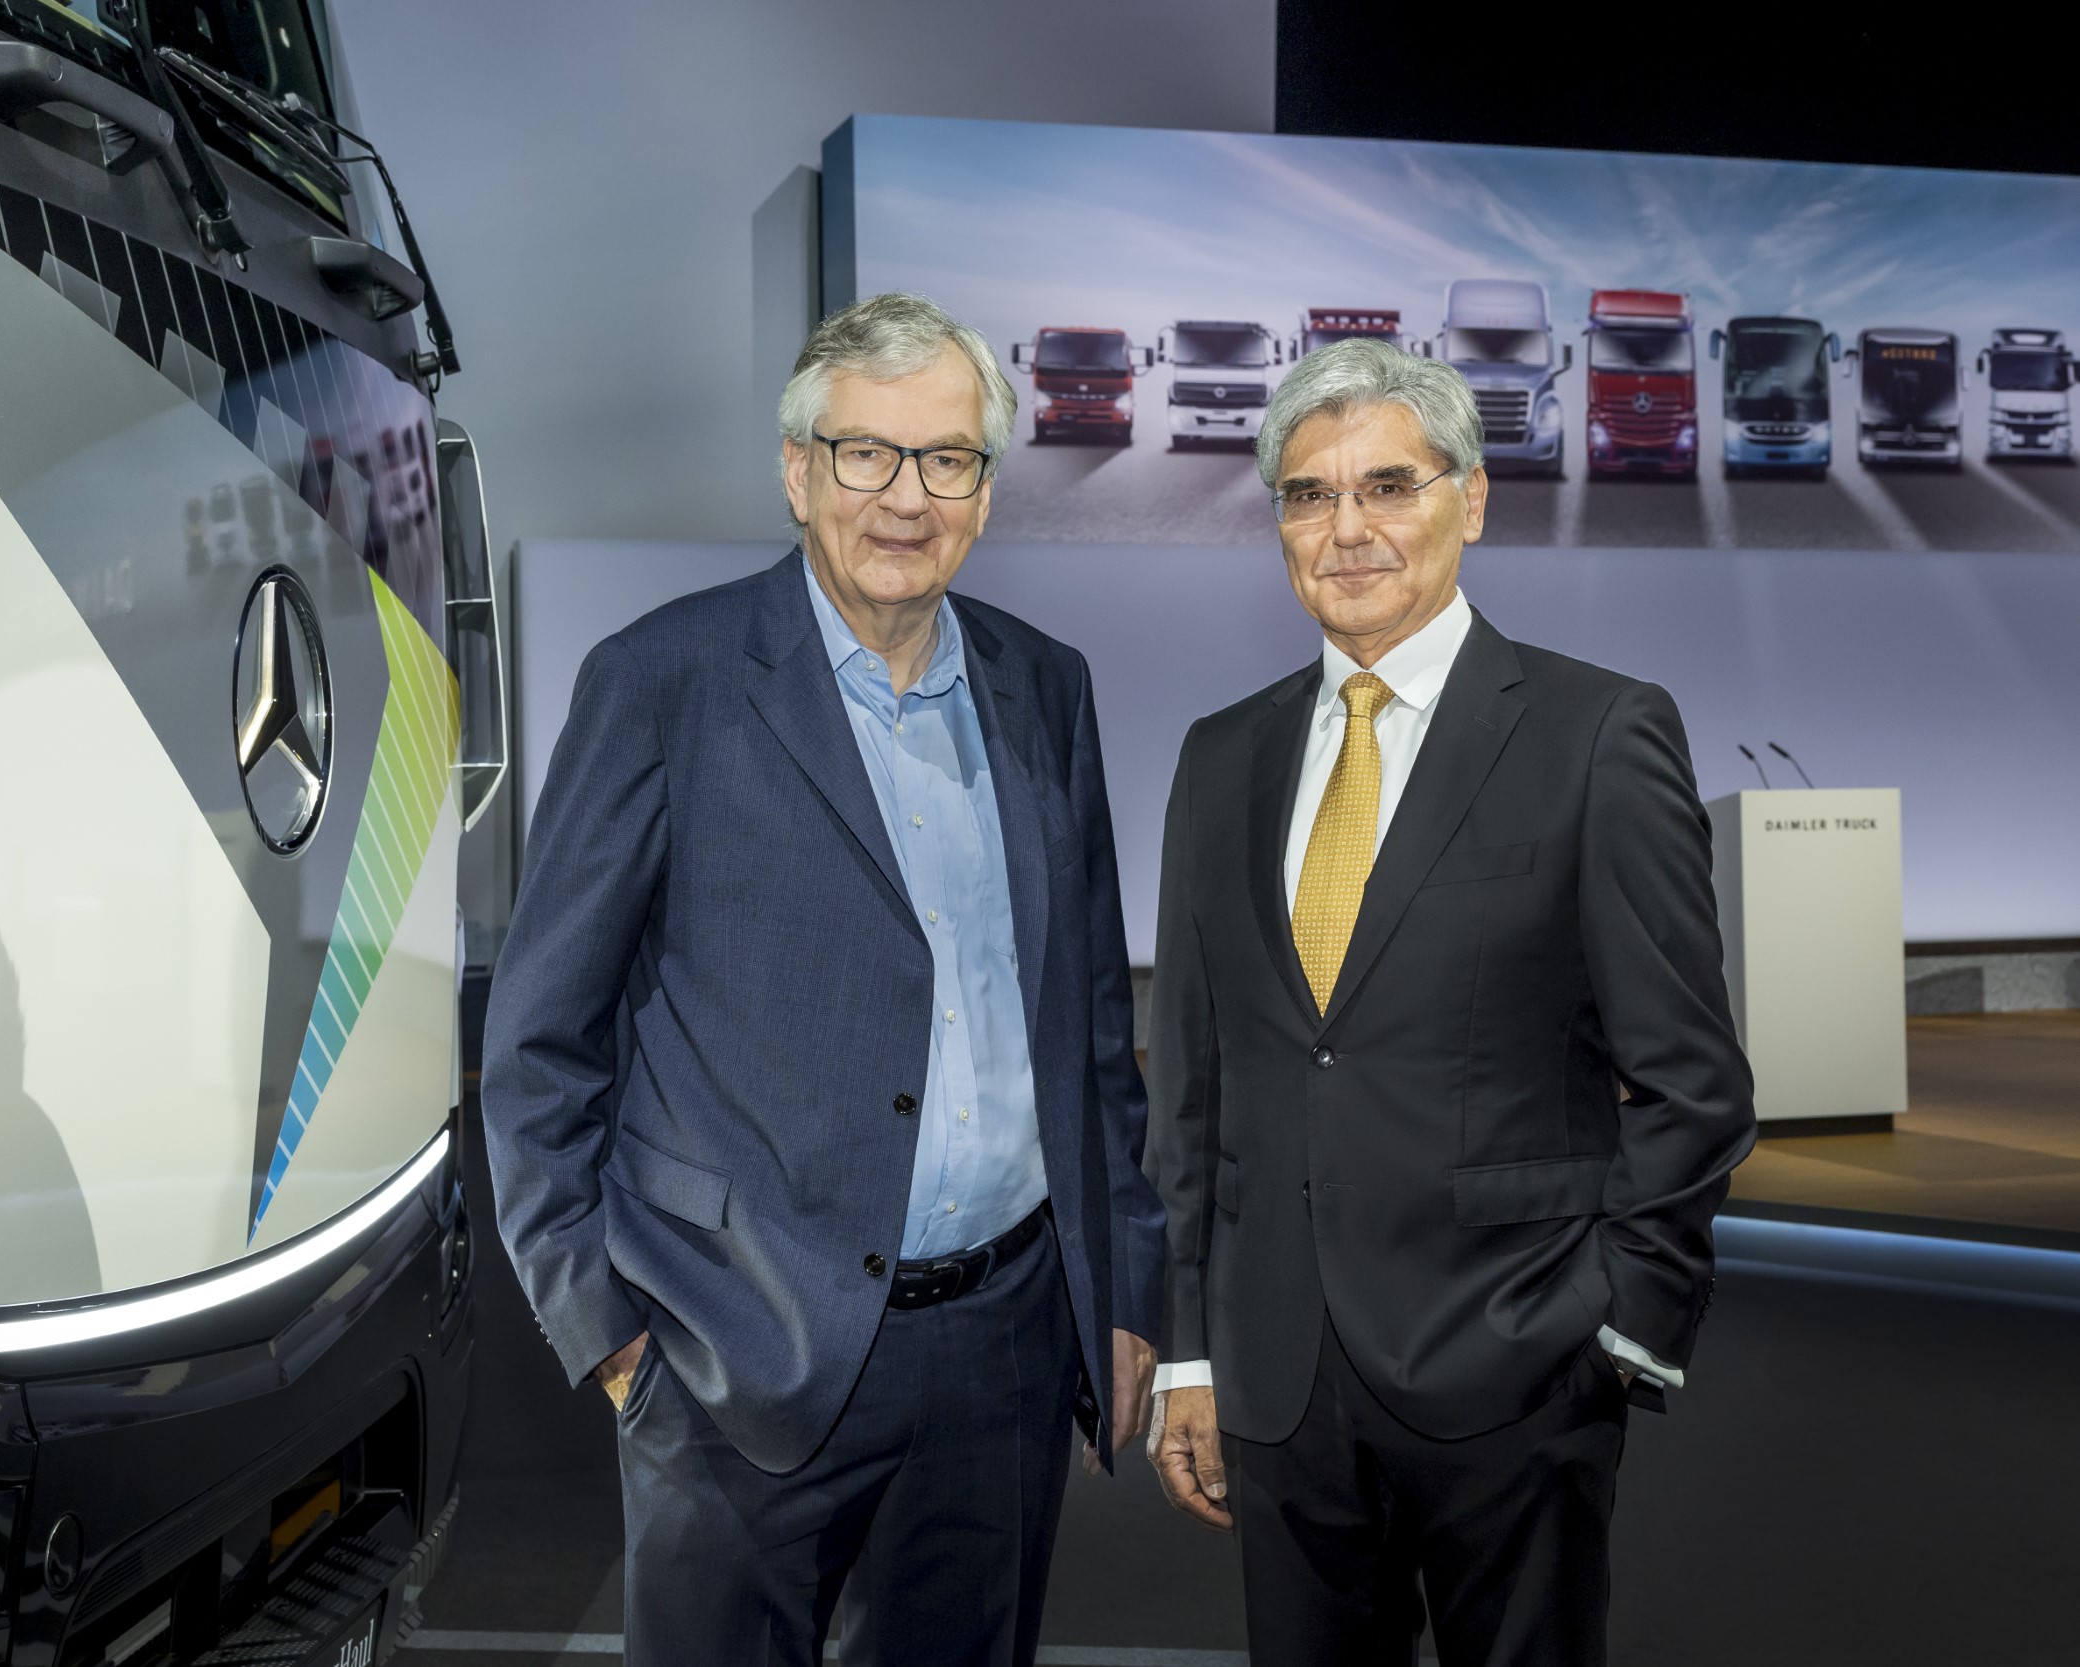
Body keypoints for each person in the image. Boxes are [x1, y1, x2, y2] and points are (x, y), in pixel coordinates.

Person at [482, 292, 1164, 1664]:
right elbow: (538, 1042)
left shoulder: (1047, 687)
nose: (906, 498)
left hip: (1005, 1350)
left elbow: (1089, 1026)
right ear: (798, 472)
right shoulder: (661, 682)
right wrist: (610, 1336)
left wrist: (1124, 1284)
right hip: (735, 1344)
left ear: (984, 487)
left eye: (947, 460)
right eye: (867, 455)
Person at [1144, 338, 1756, 1664]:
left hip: (1519, 1378)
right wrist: (1192, 1355)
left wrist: (1619, 1328)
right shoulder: (1221, 756)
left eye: (1389, 486)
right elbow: (1195, 1090)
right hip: (1280, 1385)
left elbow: (1694, 1081)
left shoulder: (1599, 735)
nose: (1348, 528)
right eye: (1310, 496)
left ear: (1470, 501)